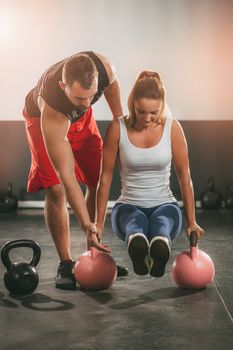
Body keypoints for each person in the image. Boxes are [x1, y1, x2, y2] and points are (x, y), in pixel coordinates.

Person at [23, 51, 128, 290]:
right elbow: (67, 175)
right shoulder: (52, 108)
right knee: (57, 189)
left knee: (95, 178)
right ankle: (66, 263)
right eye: (80, 98)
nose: (87, 102)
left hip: (81, 121)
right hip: (43, 123)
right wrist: (86, 225)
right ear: (63, 86)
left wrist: (118, 119)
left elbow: (111, 86)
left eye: (91, 97)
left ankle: (93, 254)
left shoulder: (104, 69)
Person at [95, 70, 204, 277]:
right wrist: (97, 225)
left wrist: (192, 221)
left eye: (153, 112)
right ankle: (137, 246)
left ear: (162, 105)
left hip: (165, 204)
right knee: (135, 223)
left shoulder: (173, 128)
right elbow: (105, 179)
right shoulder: (117, 129)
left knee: (161, 224)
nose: (147, 118)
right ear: (132, 103)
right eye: (141, 111)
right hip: (128, 205)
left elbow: (184, 177)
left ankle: (159, 248)